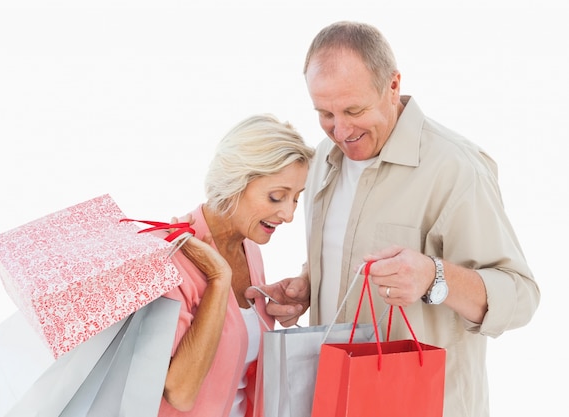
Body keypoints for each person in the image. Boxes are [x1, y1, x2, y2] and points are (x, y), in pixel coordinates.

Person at [245, 21, 540, 417]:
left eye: (354, 109)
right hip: (337, 401)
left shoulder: (455, 169)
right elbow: (345, 253)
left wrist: (434, 277)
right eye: (325, 113)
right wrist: (309, 285)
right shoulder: (322, 162)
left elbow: (520, 296)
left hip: (424, 406)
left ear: (393, 85)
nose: (341, 130)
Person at [156, 113, 315, 417]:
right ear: (234, 182)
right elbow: (180, 392)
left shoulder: (250, 248)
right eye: (276, 197)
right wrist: (219, 278)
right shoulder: (172, 257)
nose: (289, 214)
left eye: (296, 198)